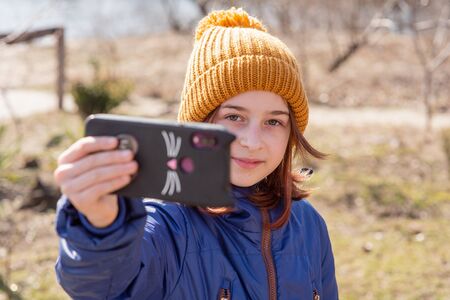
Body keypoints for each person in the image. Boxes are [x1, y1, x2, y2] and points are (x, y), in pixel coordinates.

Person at [53, 7, 338, 300]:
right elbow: (102, 285)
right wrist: (100, 224)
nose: (253, 141)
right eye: (234, 117)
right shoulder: (169, 224)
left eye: (273, 121)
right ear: (199, 124)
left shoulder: (309, 224)